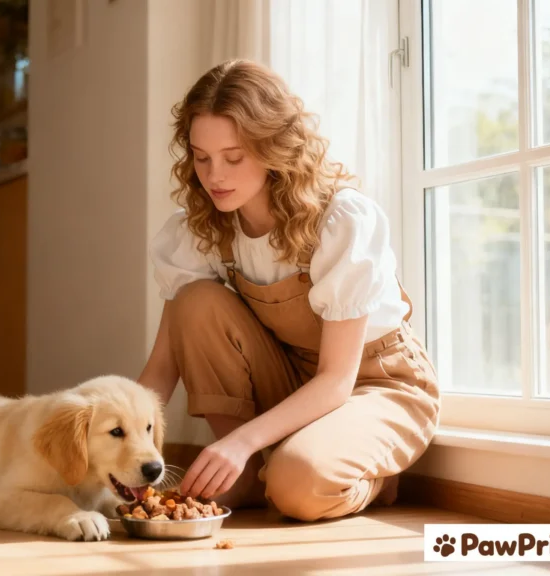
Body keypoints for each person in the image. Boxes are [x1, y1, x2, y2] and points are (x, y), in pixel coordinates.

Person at [137, 59, 441, 522]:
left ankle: (358, 475)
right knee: (194, 303)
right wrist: (118, 445)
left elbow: (337, 379)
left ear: (273, 147)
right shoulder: (199, 230)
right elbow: (161, 368)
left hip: (373, 382)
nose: (214, 175)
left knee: (297, 486)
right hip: (289, 379)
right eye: (201, 157)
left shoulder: (341, 221)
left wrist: (239, 441)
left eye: (234, 157)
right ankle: (250, 470)